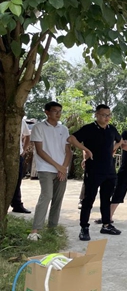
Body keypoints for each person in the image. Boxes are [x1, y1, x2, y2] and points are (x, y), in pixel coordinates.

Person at [68, 104, 122, 241]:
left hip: (109, 170)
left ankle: (106, 225)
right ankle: (84, 228)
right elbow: (71, 138)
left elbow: (120, 140)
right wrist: (86, 150)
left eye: (109, 115)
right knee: (89, 199)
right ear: (97, 115)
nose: (107, 118)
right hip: (94, 170)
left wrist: (113, 149)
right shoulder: (89, 128)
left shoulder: (111, 129)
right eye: (104, 115)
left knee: (106, 199)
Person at [28, 102, 72, 241]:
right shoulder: (39, 127)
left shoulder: (64, 129)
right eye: (54, 111)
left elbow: (68, 151)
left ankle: (52, 228)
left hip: (62, 170)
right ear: (46, 112)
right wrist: (58, 166)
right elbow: (40, 151)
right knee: (46, 196)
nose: (58, 114)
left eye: (60, 111)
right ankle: (35, 230)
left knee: (58, 199)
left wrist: (63, 168)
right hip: (46, 168)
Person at [11, 116, 32, 213]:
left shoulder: (20, 120)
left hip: (17, 155)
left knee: (17, 180)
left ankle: (17, 204)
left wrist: (24, 150)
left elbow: (27, 135)